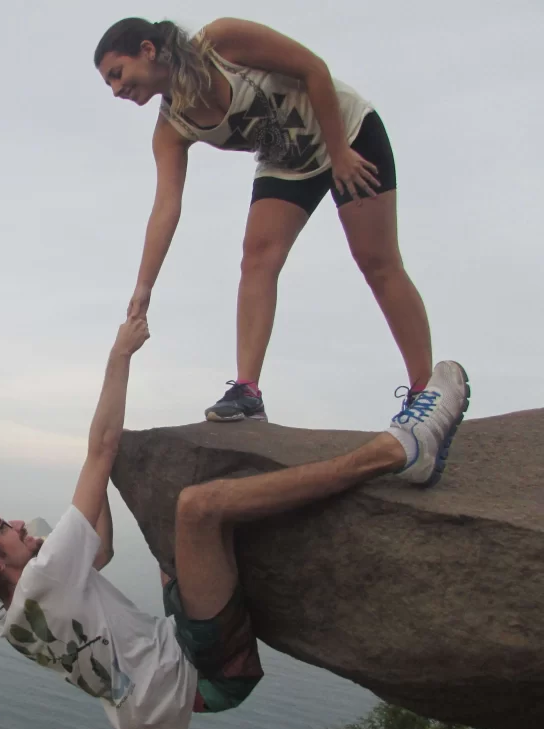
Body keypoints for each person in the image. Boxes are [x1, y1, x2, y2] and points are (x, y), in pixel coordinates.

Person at [0, 316, 470, 729]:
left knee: (172, 544)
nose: (15, 524)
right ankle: (398, 451)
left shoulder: (11, 623)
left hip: (173, 674)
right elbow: (100, 452)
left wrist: (95, 470)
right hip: (204, 673)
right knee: (197, 509)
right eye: (3, 530)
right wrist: (119, 358)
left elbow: (100, 551)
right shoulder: (46, 577)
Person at [93, 17, 434, 424]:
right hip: (288, 162)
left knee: (376, 260)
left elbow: (313, 69)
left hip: (346, 132)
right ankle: (247, 392)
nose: (116, 90)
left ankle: (425, 392)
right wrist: (143, 288)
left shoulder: (222, 43)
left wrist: (340, 151)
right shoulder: (170, 129)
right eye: (109, 84)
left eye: (117, 74)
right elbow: (166, 206)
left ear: (147, 51)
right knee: (256, 258)